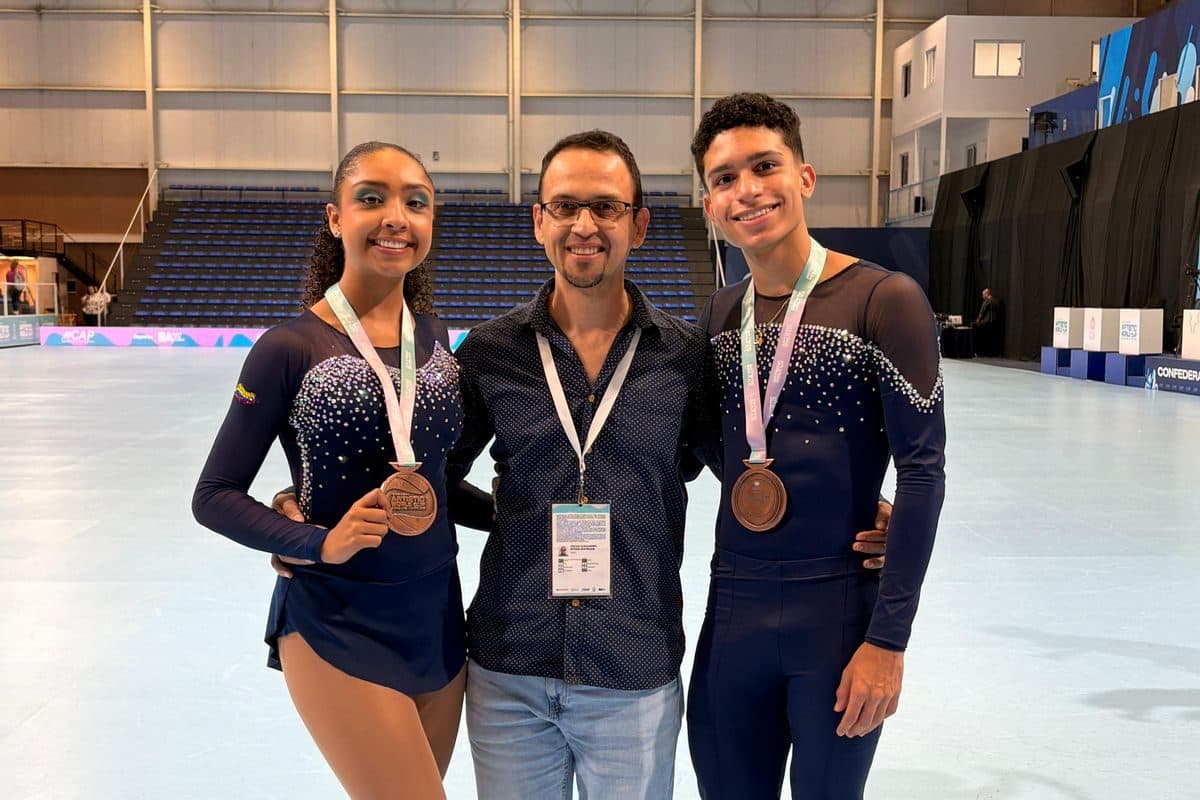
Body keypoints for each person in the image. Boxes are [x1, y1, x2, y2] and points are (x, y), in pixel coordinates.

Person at [270, 130, 893, 799]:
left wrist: (859, 512)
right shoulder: (490, 352)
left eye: (606, 207)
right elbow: (426, 472)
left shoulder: (684, 358)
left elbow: (747, 469)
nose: (584, 226)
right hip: (508, 668)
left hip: (633, 671)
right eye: (564, 207)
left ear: (640, 224)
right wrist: (304, 503)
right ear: (539, 221)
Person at [192, 141, 476, 799]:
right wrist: (316, 542)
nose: (396, 216)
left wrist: (525, 516)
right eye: (371, 198)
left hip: (437, 618)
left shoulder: (435, 338)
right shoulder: (289, 348)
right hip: (338, 620)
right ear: (334, 218)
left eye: (416, 200)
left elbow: (433, 484)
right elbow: (214, 495)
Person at [685, 93, 946, 799]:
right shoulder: (717, 314)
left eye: (764, 165)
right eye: (724, 177)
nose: (747, 190)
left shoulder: (885, 300)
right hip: (732, 611)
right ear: (709, 203)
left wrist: (888, 643)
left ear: (804, 176)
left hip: (836, 619)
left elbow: (924, 473)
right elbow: (720, 449)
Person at [972, 287, 1003, 356]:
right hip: (995, 323)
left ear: (986, 294)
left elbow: (982, 312)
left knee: (979, 334)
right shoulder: (996, 301)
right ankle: (992, 352)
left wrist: (978, 320)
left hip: (986, 323)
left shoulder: (986, 301)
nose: (982, 297)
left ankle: (979, 351)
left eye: (983, 295)